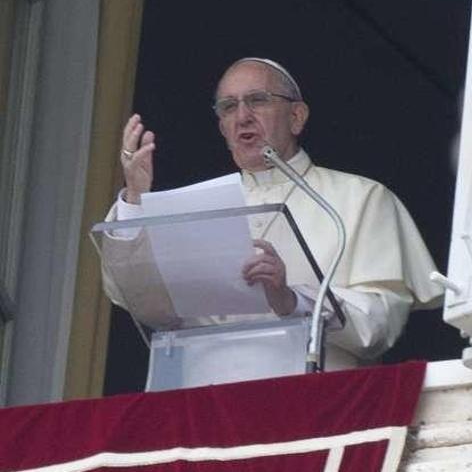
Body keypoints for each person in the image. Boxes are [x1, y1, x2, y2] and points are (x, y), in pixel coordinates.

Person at [103, 57, 443, 370]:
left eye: (258, 100)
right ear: (222, 128)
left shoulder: (362, 198)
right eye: (229, 107)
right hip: (205, 398)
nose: (242, 116)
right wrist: (135, 198)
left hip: (316, 403)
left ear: (297, 117)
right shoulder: (197, 206)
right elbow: (136, 297)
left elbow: (378, 327)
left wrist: (292, 300)